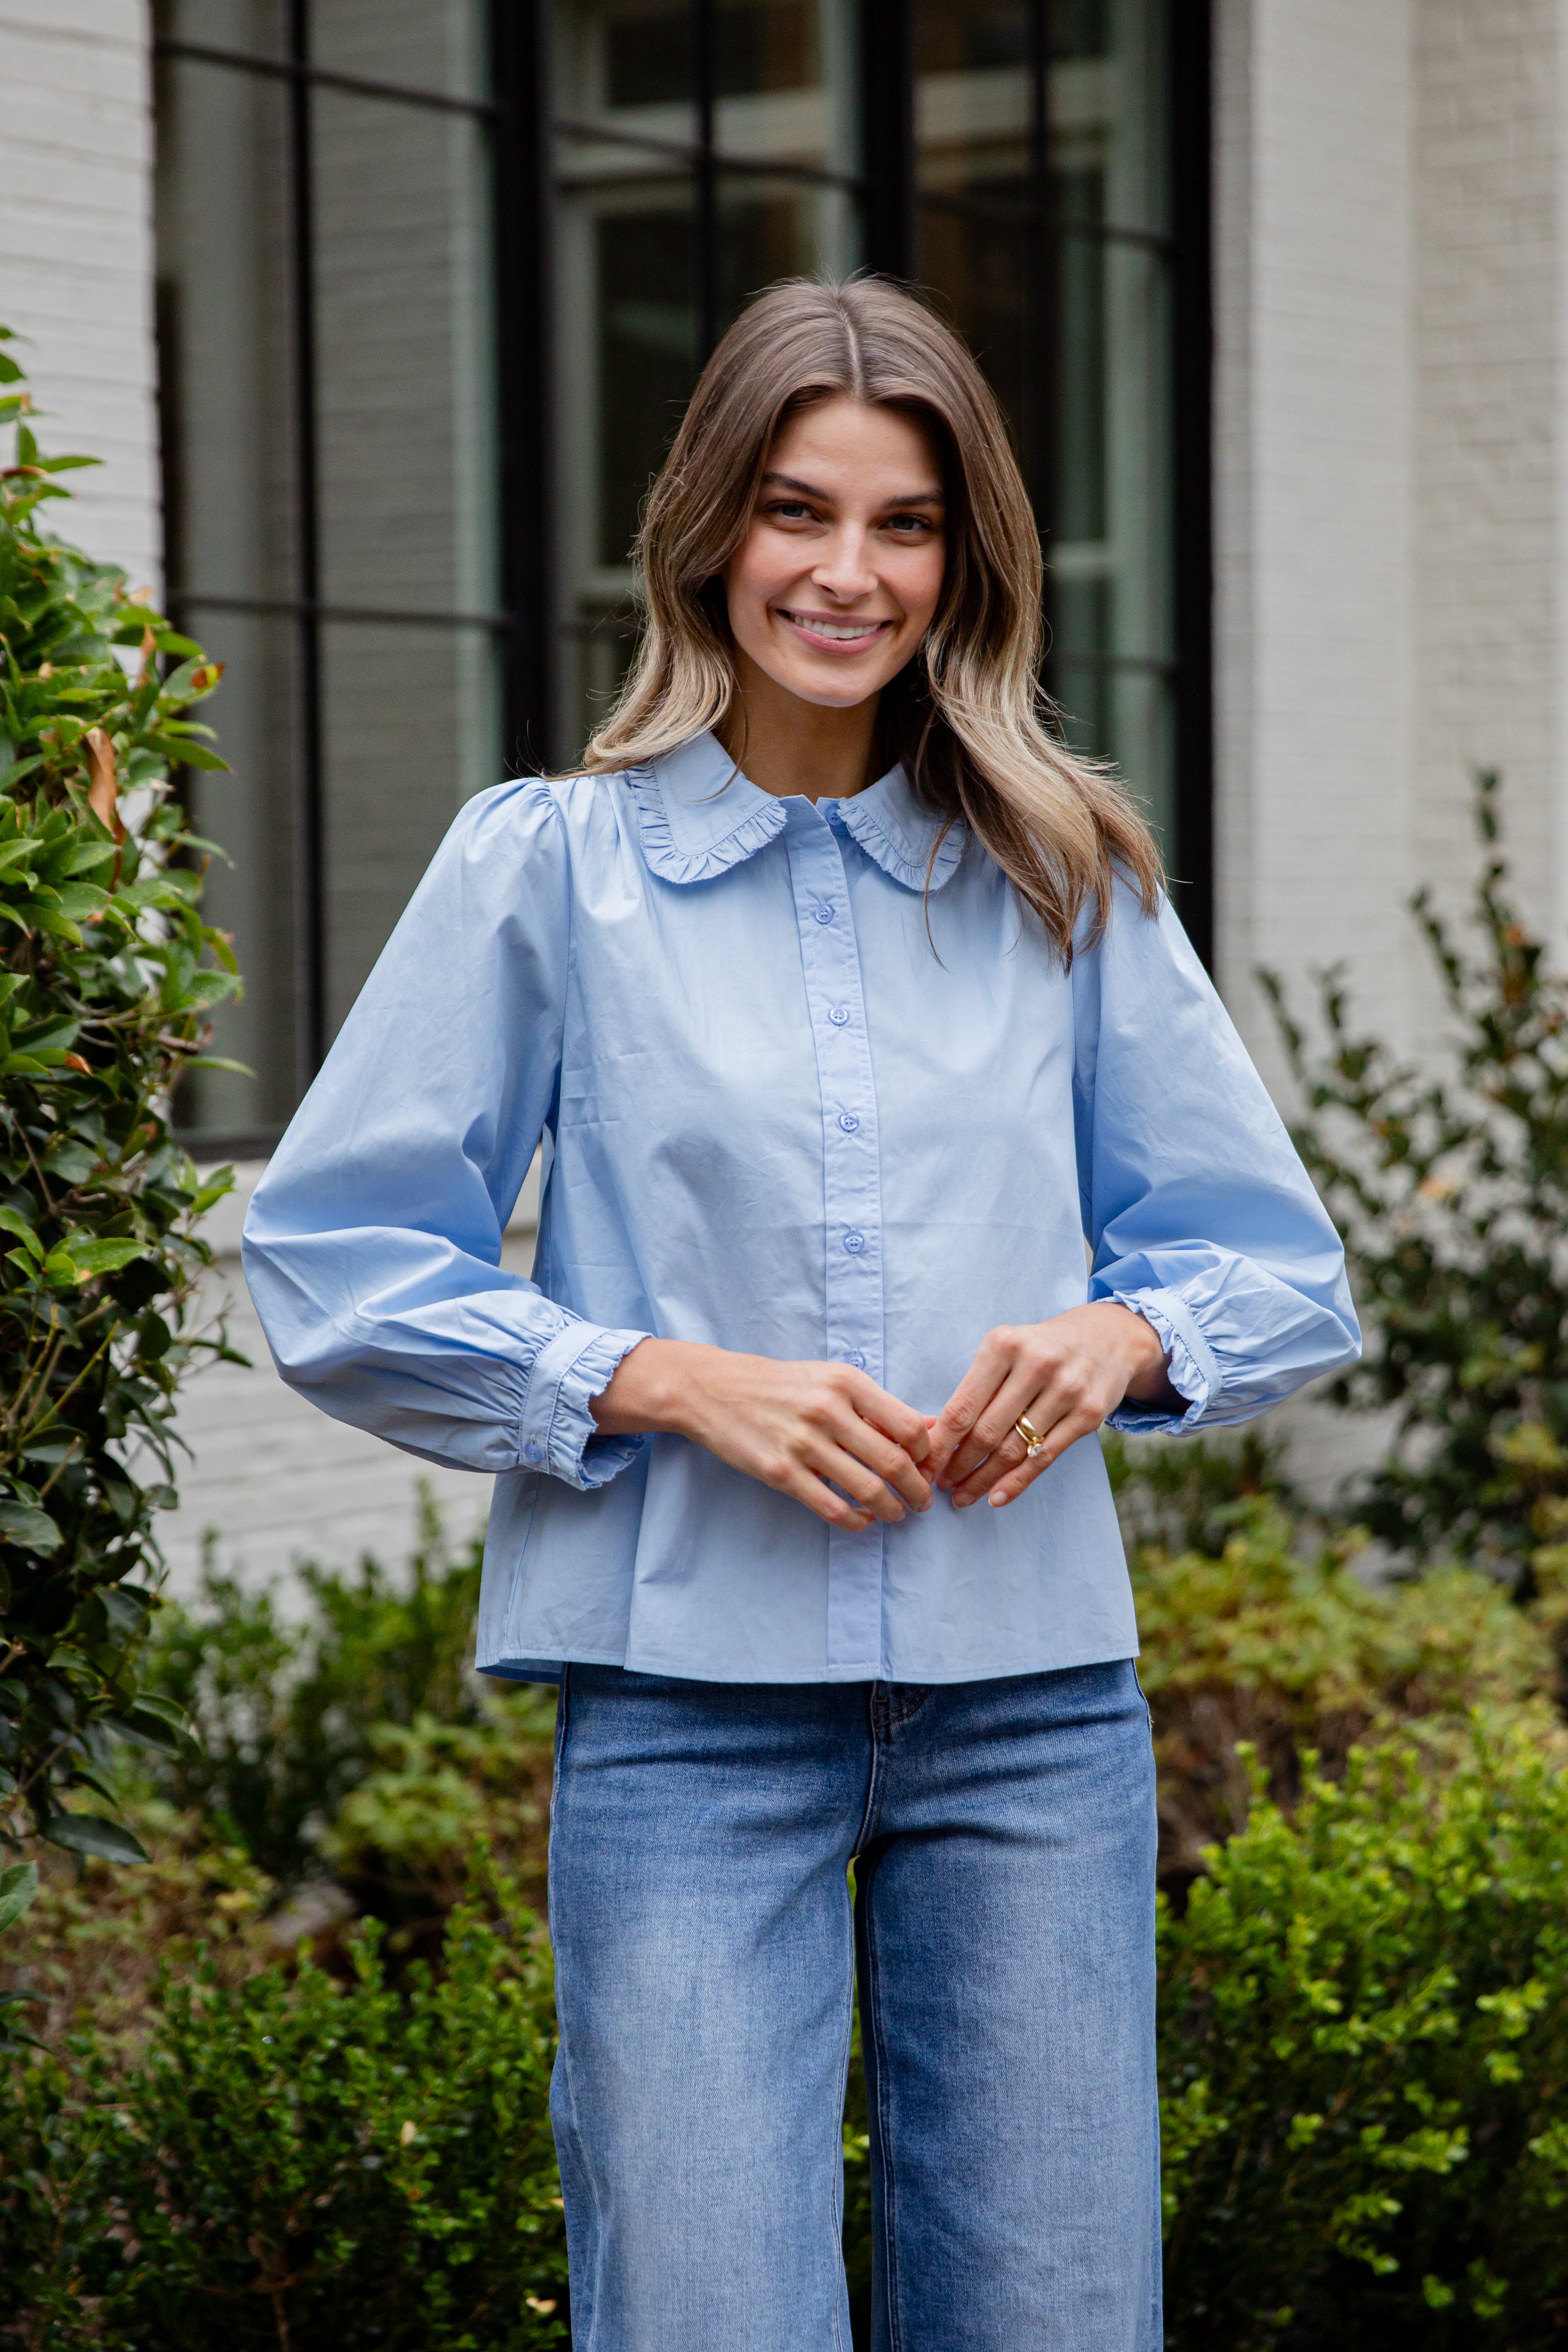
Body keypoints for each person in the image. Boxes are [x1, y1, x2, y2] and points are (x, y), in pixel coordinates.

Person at [244, 276, 1358, 2351]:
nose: (847, 573)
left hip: (1032, 1714)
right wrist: (651, 1377)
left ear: (963, 563)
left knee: (1053, 2314)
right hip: (683, 1712)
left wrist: (1119, 1341)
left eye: (904, 524)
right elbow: (332, 1258)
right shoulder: (547, 874)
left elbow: (1279, 1273)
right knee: (702, 2314)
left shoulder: (1065, 882)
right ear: (707, 532)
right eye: (796, 510)